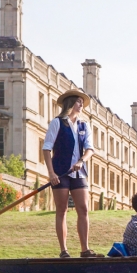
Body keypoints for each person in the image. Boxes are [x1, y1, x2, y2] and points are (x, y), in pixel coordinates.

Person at [43, 89, 102, 258]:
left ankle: (85, 249)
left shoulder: (84, 125)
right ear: (70, 103)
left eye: (82, 102)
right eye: (78, 101)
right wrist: (51, 173)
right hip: (60, 172)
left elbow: (90, 149)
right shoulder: (57, 122)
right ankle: (64, 250)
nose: (81, 104)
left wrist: (81, 160)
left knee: (83, 209)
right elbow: (47, 148)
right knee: (61, 210)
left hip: (79, 173)